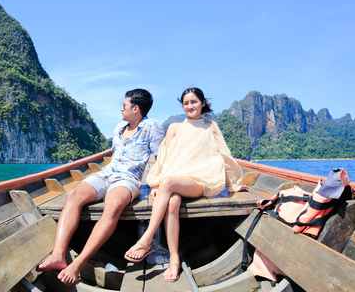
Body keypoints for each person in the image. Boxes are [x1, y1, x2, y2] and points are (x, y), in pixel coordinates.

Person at [38, 89, 164, 286]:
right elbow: (113, 157)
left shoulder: (152, 127)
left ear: (136, 108)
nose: (121, 108)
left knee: (113, 204)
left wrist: (156, 184)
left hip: (128, 179)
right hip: (106, 173)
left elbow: (160, 158)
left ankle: (78, 263)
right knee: (74, 194)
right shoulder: (119, 128)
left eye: (124, 105)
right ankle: (58, 254)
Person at [124, 87, 248, 282]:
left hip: (200, 180)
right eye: (186, 103)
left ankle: (146, 239)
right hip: (174, 180)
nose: (190, 106)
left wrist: (233, 184)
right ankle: (174, 259)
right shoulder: (174, 128)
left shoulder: (211, 126)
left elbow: (224, 154)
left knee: (169, 183)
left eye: (194, 101)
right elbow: (164, 158)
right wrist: (156, 185)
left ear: (203, 103)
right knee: (172, 202)